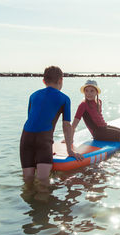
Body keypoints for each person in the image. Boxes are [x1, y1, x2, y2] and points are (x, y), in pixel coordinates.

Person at [20, 66, 83, 195]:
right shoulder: (64, 98)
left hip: (25, 137)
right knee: (43, 181)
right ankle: (42, 211)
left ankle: (26, 207)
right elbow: (66, 125)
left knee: (28, 179)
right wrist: (69, 150)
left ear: (44, 81)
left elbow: (32, 118)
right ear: (61, 80)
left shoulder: (33, 95)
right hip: (43, 139)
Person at [71, 80, 120, 152]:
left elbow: (99, 120)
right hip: (98, 133)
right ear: (84, 92)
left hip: (104, 128)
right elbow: (75, 123)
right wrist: (69, 138)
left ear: (96, 92)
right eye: (86, 91)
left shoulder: (98, 102)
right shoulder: (83, 105)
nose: (89, 93)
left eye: (92, 91)